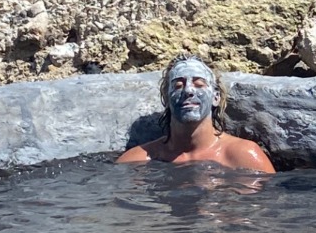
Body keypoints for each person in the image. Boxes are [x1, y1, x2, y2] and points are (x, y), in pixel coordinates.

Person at [117, 55, 276, 174]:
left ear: (216, 97)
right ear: (166, 98)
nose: (188, 91)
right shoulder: (136, 161)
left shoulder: (244, 156)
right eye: (178, 86)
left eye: (199, 84)